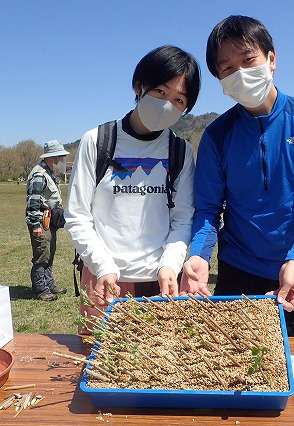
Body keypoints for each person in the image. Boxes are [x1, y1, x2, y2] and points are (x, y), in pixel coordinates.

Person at [181, 15, 294, 337]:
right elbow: (209, 209)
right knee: (233, 367)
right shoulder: (217, 135)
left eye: (248, 59)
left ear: (271, 59)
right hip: (238, 271)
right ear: (219, 79)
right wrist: (199, 255)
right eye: (227, 68)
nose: (239, 72)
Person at [65, 45, 200, 330]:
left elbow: (183, 218)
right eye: (161, 92)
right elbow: (77, 216)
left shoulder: (180, 151)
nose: (167, 105)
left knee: (159, 366)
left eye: (178, 100)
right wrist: (102, 265)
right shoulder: (97, 141)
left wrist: (170, 266)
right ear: (139, 86)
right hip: (105, 280)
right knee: (100, 363)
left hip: (161, 283)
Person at [26, 140, 69, 301]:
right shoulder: (39, 174)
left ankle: (49, 284)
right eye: (60, 156)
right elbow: (33, 202)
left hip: (49, 220)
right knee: (41, 256)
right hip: (41, 221)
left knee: (49, 253)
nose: (61, 160)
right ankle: (40, 289)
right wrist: (35, 225)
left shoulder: (48, 173)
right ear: (53, 157)